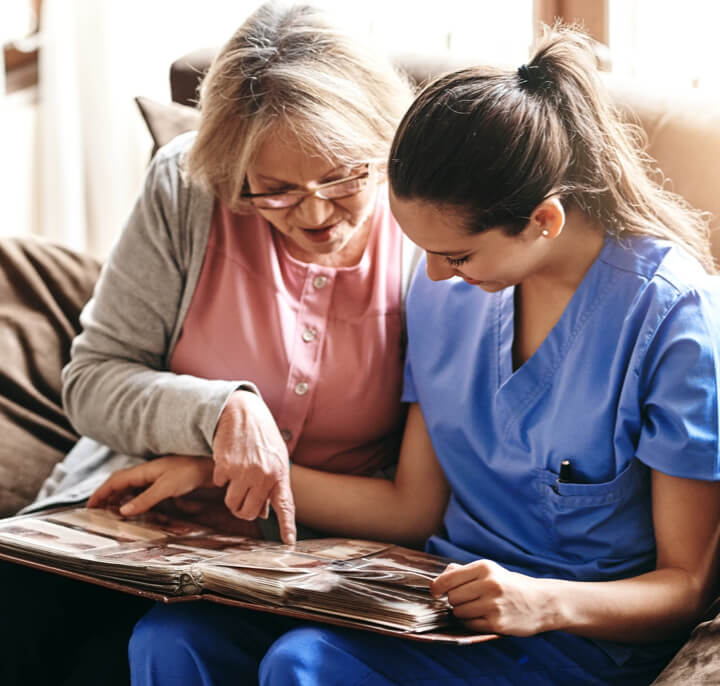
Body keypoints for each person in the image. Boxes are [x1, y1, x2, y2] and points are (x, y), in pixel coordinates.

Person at [122, 24, 720, 686]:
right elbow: (412, 510)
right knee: (173, 638)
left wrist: (542, 601)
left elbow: (687, 586)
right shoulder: (449, 293)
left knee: (306, 666)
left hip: (573, 635)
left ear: (543, 221)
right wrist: (215, 470)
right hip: (429, 601)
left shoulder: (673, 318)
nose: (430, 278)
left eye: (455, 255)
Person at [0, 3, 416, 685]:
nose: (313, 214)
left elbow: (425, 490)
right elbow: (92, 380)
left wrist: (221, 477)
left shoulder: (431, 230)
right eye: (274, 193)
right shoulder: (186, 187)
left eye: (342, 177)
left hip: (312, 555)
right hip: (134, 535)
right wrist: (221, 411)